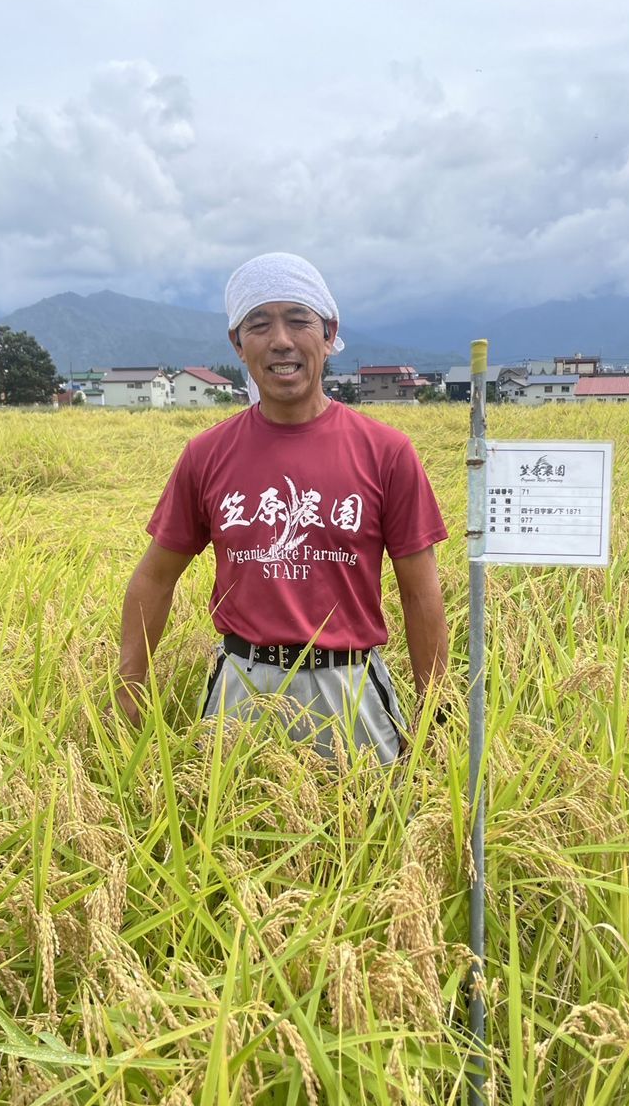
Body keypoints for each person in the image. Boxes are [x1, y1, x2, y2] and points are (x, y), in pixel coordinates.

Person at [114, 252, 448, 764]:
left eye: (298, 320)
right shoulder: (207, 454)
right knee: (224, 836)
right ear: (237, 343)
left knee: (369, 831)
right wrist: (129, 688)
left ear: (329, 333)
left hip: (350, 686)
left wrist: (437, 711)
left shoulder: (386, 452)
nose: (281, 341)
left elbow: (420, 593)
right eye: (259, 324)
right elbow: (154, 578)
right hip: (241, 689)